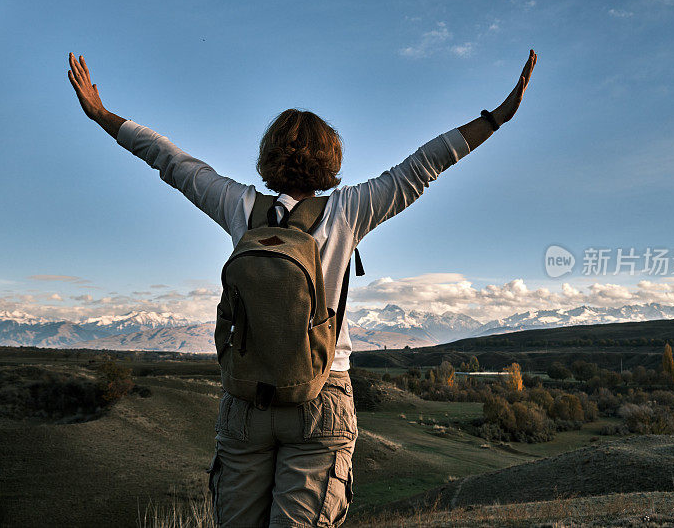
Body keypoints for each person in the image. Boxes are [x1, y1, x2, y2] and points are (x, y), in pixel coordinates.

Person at [67, 48, 536, 527]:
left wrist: (103, 114)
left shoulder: (240, 207)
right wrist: (494, 119)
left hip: (247, 399)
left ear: (268, 157)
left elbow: (170, 161)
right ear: (330, 160)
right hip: (321, 396)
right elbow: (423, 166)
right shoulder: (349, 210)